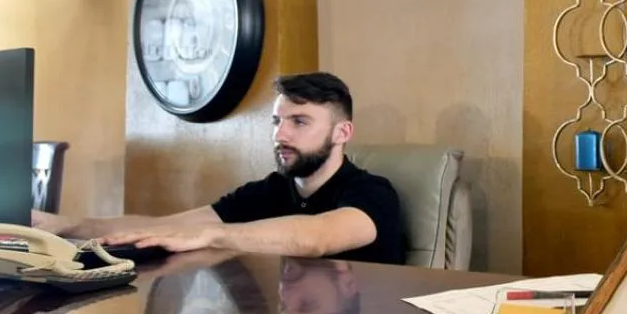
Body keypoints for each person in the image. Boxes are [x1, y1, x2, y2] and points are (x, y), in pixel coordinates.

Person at [33, 72, 406, 263]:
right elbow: (169, 226)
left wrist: (213, 236)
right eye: (277, 122)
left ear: (343, 132)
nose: (281, 134)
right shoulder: (269, 191)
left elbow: (316, 237)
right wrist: (70, 225)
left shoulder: (373, 193)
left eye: (300, 122)